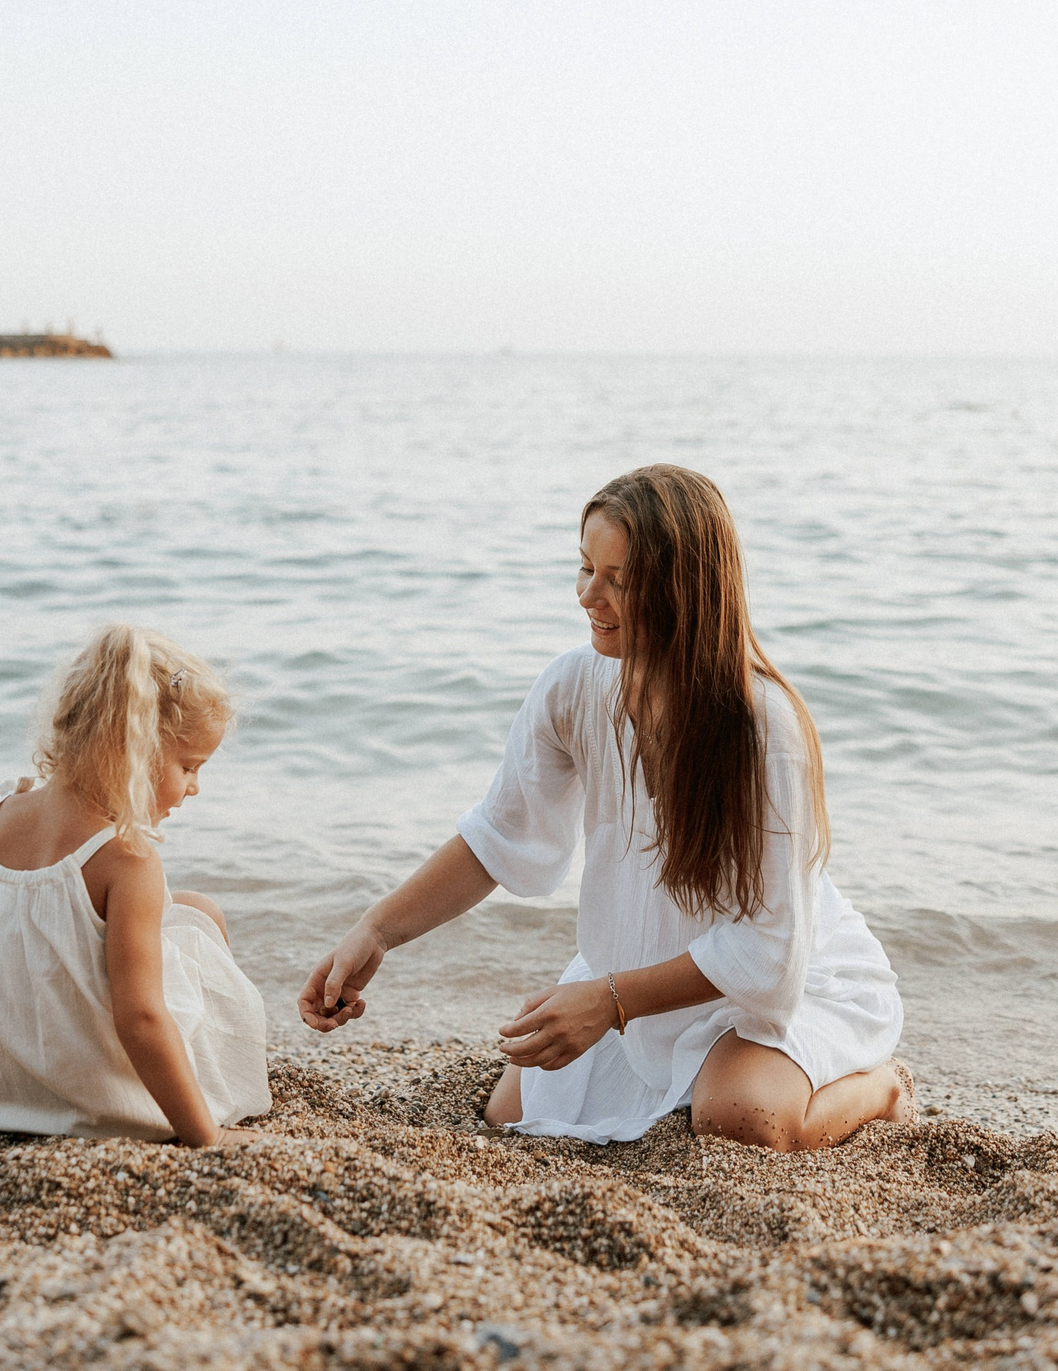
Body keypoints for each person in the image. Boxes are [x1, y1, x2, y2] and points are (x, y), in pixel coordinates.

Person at [299, 465, 911, 1149]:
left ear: (686, 589)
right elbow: (501, 834)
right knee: (512, 1113)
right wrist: (376, 932)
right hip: (634, 967)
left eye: (619, 579)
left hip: (777, 974)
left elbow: (770, 953)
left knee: (739, 1121)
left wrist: (609, 1002)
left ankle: (880, 1086)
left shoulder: (764, 728)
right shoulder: (573, 686)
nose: (590, 595)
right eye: (586, 568)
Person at [0, 624, 269, 1146]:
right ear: (133, 752)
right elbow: (142, 1018)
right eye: (189, 766)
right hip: (94, 1100)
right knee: (202, 917)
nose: (195, 787)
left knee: (184, 908)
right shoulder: (128, 861)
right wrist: (205, 1138)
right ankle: (193, 1098)